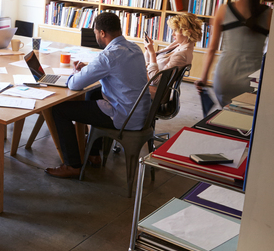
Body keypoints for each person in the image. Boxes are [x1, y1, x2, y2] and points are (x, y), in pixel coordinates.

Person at [45, 13, 150, 179]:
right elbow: (117, 71)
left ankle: (72, 165)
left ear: (102, 33)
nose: (96, 37)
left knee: (59, 110)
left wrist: (75, 73)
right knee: (93, 93)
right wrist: (90, 69)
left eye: (95, 33)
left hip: (124, 116)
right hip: (141, 112)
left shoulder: (108, 56)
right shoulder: (134, 48)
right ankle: (93, 153)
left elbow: (74, 84)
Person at [196, 0, 272, 114]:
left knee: (225, 116)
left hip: (225, 78)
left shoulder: (223, 10)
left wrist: (203, 78)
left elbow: (211, 49)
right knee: (245, 121)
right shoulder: (269, 14)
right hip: (252, 81)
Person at [143, 12, 202, 97]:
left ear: (187, 31)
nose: (172, 34)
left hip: (152, 91)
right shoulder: (178, 44)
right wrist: (148, 50)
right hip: (146, 81)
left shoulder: (181, 55)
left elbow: (156, 81)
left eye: (176, 30)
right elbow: (150, 63)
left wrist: (152, 53)